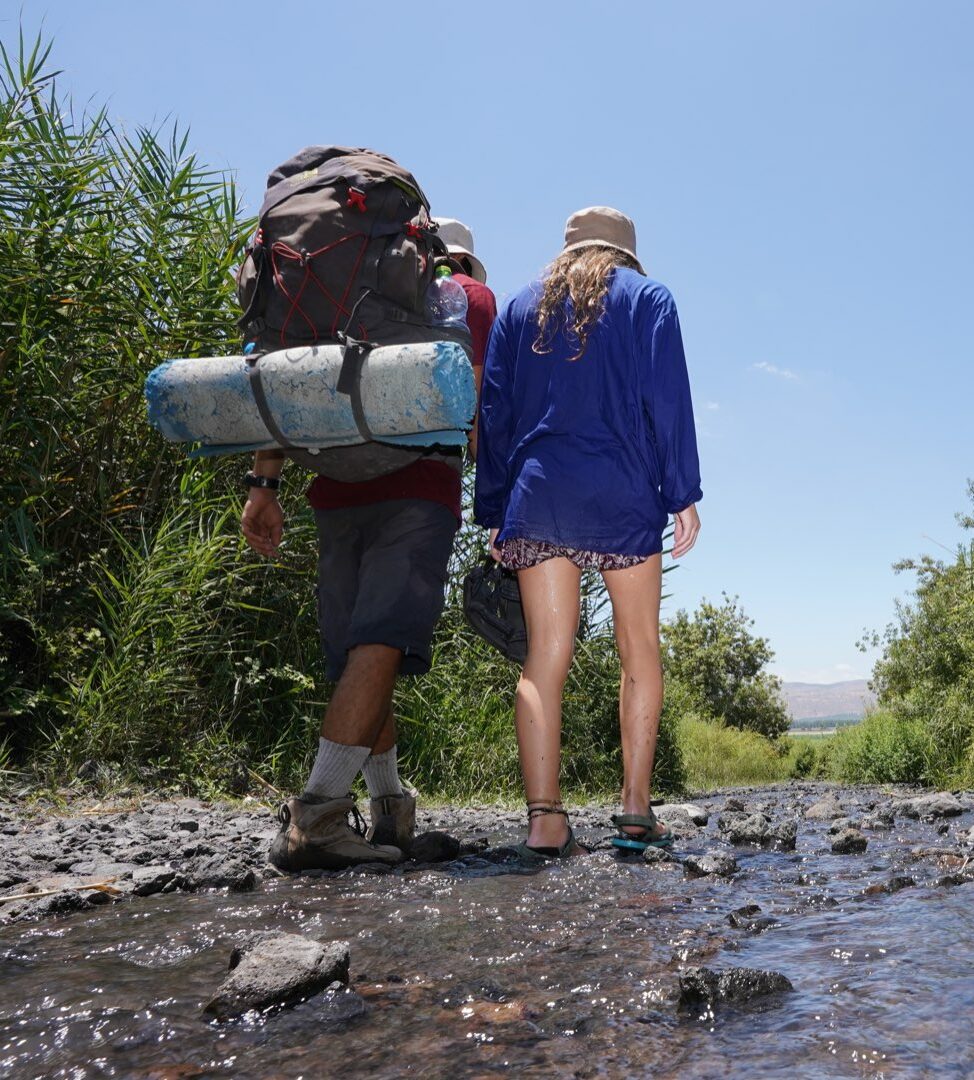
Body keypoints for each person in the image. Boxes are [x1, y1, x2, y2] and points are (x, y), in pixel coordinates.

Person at [243, 220, 496, 870]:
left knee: (360, 650)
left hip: (332, 482)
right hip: (417, 489)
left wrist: (262, 485)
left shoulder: (343, 296)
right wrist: (495, 504)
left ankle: (390, 814)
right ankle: (319, 817)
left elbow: (284, 376)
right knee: (382, 644)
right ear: (460, 259)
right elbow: (477, 392)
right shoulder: (470, 295)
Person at [474, 206, 701, 858]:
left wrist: (495, 507)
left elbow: (496, 410)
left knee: (546, 655)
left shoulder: (519, 309)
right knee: (639, 650)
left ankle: (545, 820)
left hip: (539, 495)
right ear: (627, 254)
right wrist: (681, 490)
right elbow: (669, 398)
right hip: (622, 493)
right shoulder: (649, 299)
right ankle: (633, 810)